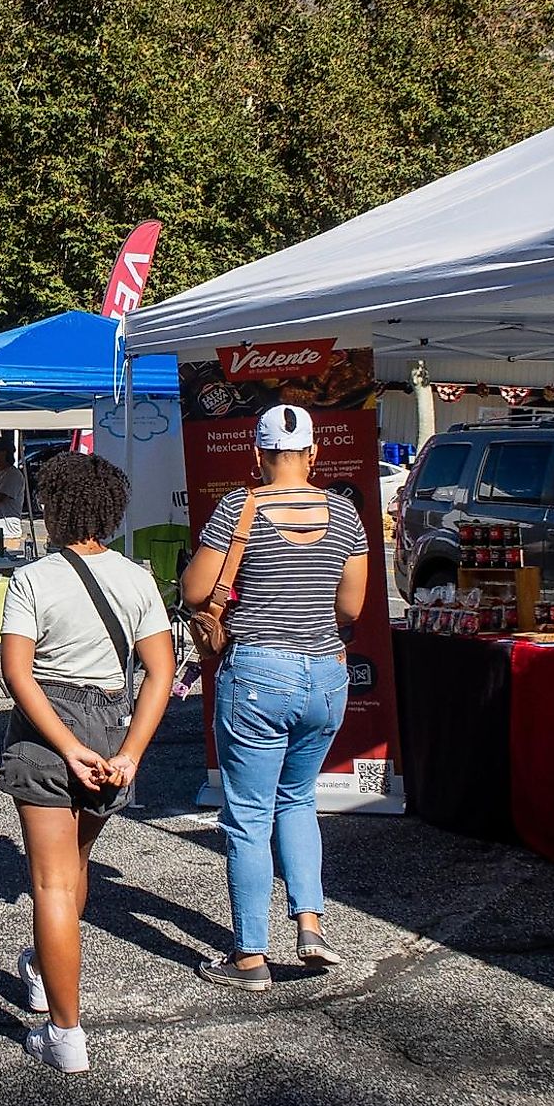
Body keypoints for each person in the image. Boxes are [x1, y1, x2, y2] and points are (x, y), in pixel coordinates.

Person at [0, 452, 174, 1072]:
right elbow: (160, 672)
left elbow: (18, 673)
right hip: (110, 723)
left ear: (53, 508)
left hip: (50, 727)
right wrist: (129, 753)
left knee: (49, 882)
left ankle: (65, 1032)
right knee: (74, 868)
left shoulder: (33, 580)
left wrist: (64, 746)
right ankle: (47, 971)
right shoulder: (137, 579)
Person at [179, 405, 367, 991]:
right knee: (299, 800)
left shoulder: (239, 508)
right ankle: (310, 925)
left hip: (258, 673)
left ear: (256, 455)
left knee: (247, 817)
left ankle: (250, 955)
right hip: (325, 675)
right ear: (314, 454)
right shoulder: (344, 513)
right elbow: (352, 609)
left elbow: (194, 590)